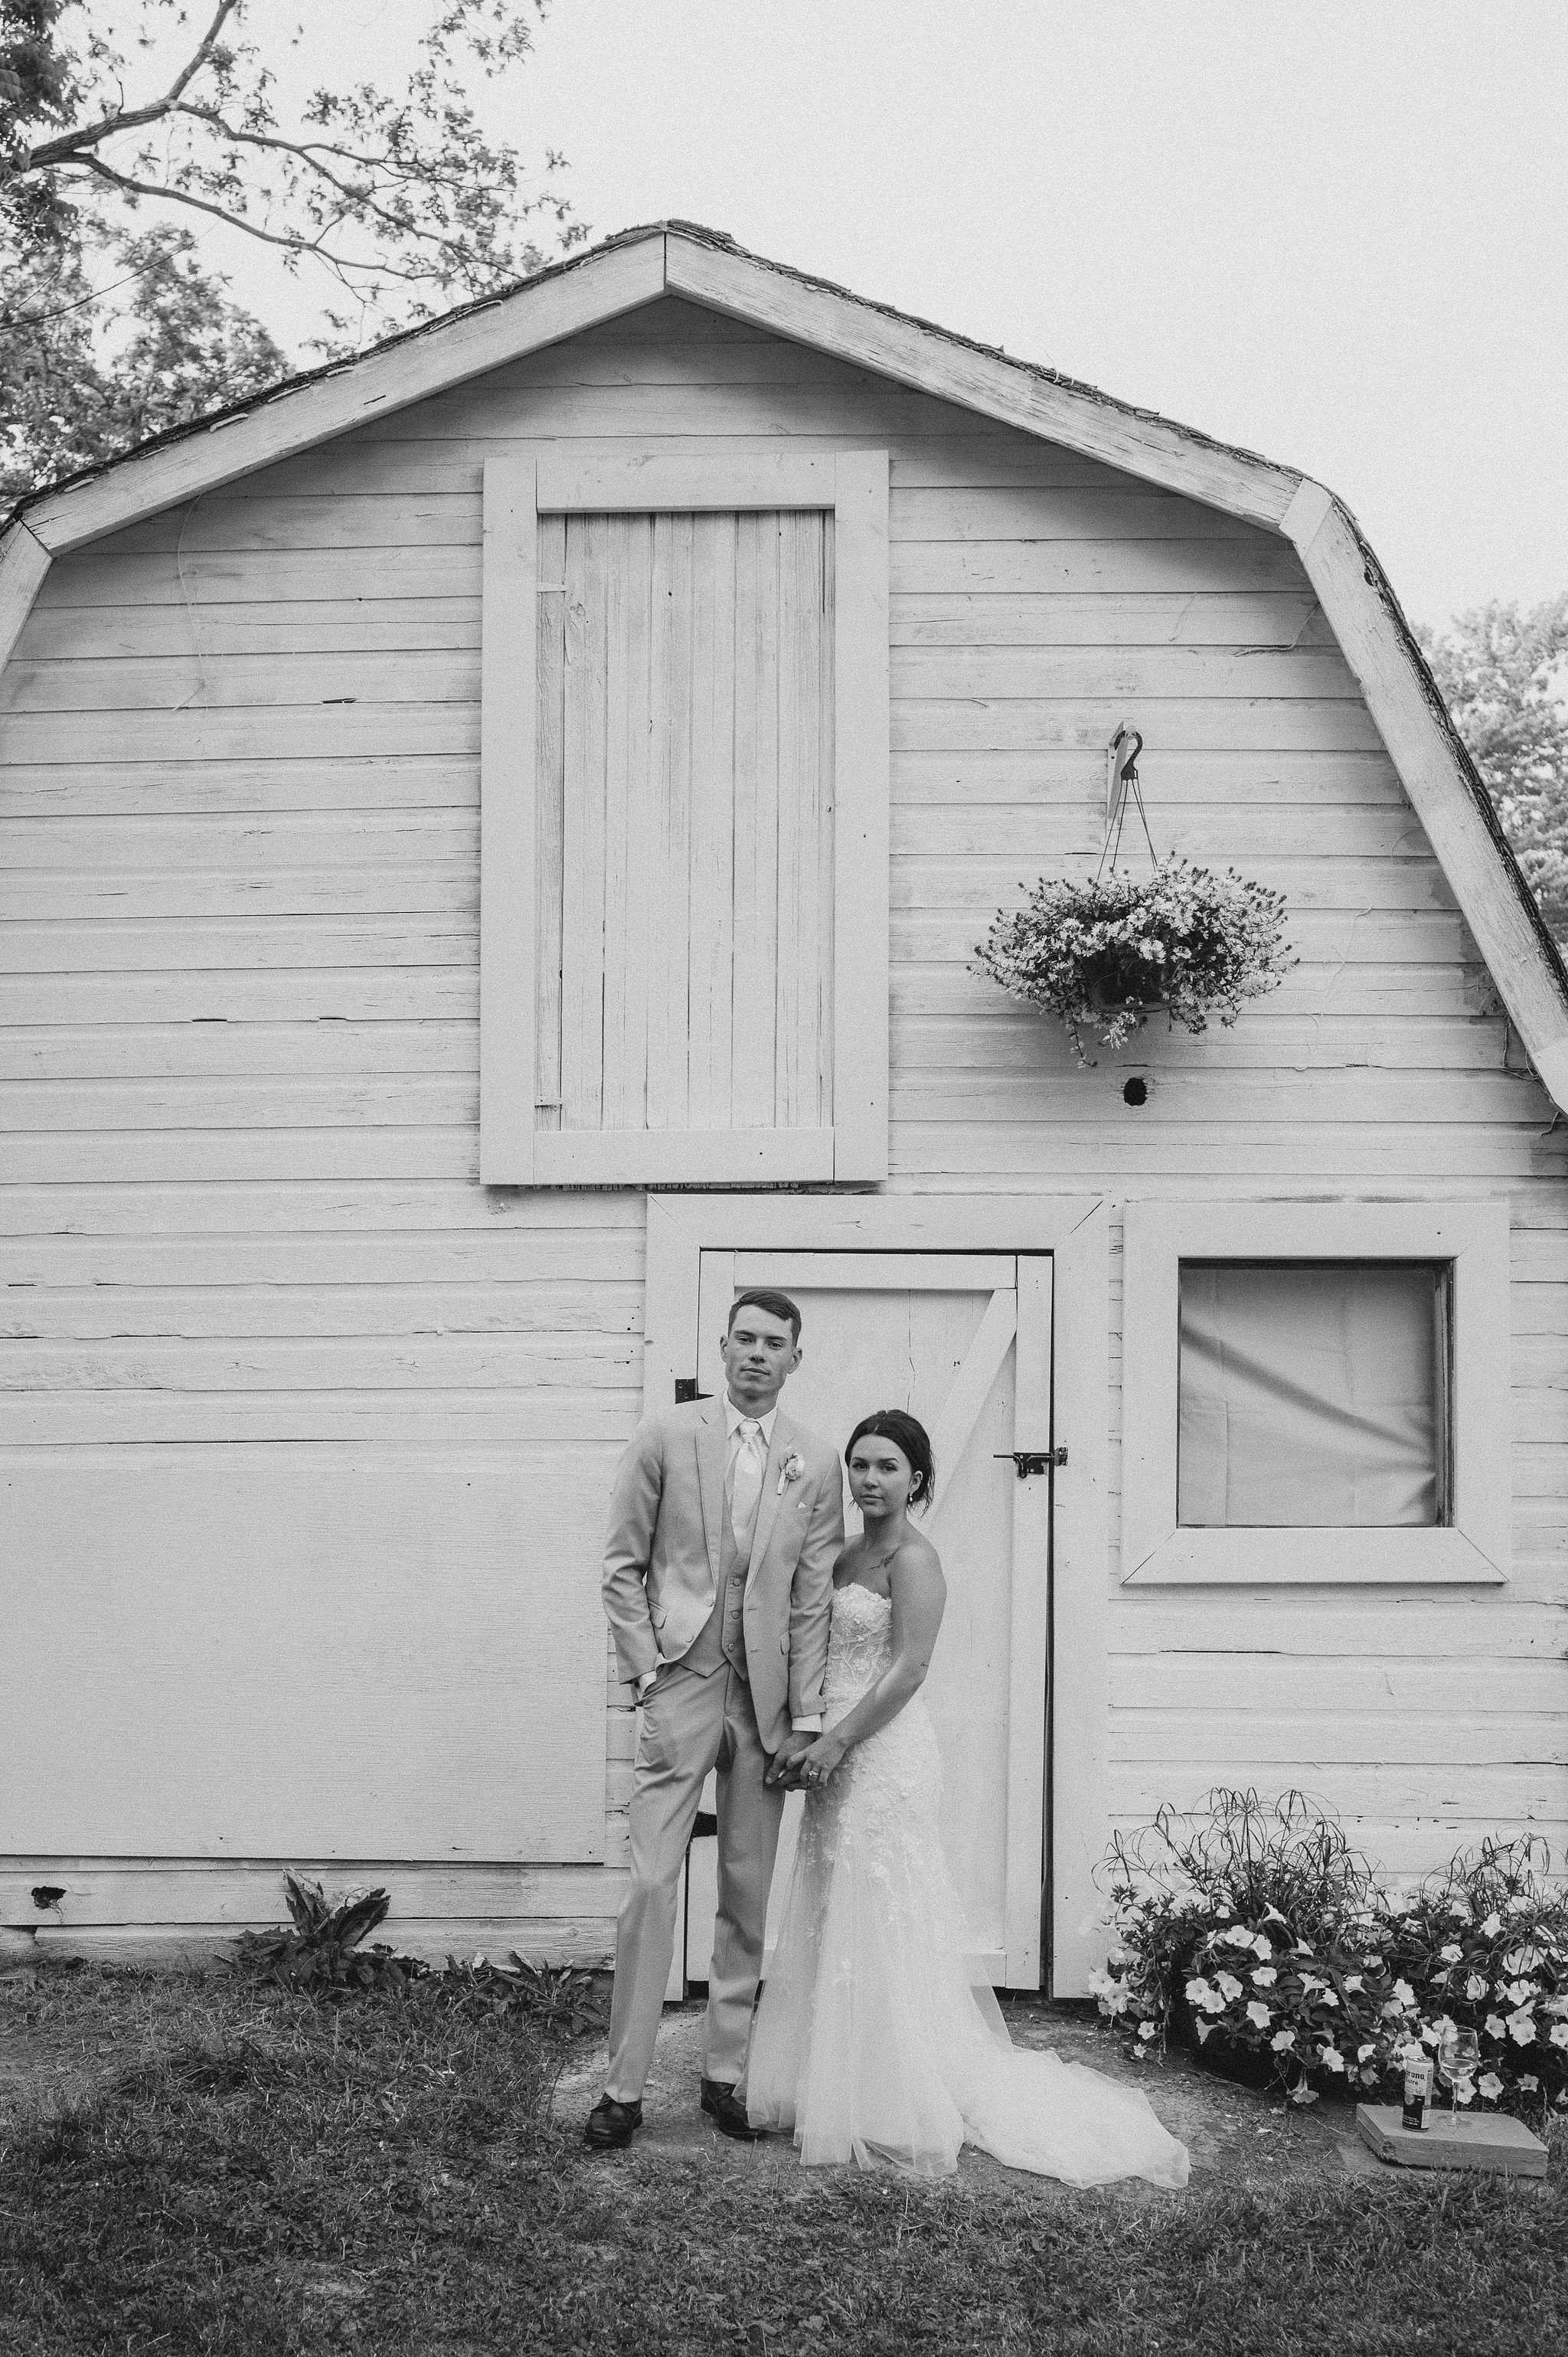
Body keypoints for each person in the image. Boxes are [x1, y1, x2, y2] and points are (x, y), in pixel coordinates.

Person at [742, 1409, 1190, 2188]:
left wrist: (839, 1739)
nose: (869, 1480)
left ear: (917, 1479)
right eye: (859, 1465)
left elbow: (909, 1669)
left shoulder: (914, 1561)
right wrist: (802, 1734)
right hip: (828, 1749)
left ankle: (891, 2094)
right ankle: (830, 2076)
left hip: (879, 1751)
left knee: (880, 1902)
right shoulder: (845, 1554)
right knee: (828, 1899)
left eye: (887, 1467)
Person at [583, 1289, 844, 2151]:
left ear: (794, 1359)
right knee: (653, 1882)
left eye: (775, 1343)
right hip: (683, 1680)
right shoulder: (668, 1435)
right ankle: (623, 2086)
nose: (757, 1354)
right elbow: (621, 1563)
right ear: (723, 1345)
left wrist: (805, 1716)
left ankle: (723, 2075)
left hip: (764, 1701)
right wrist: (649, 1669)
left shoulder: (813, 1459)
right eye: (745, 1338)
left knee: (744, 1886)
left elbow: (811, 1602)